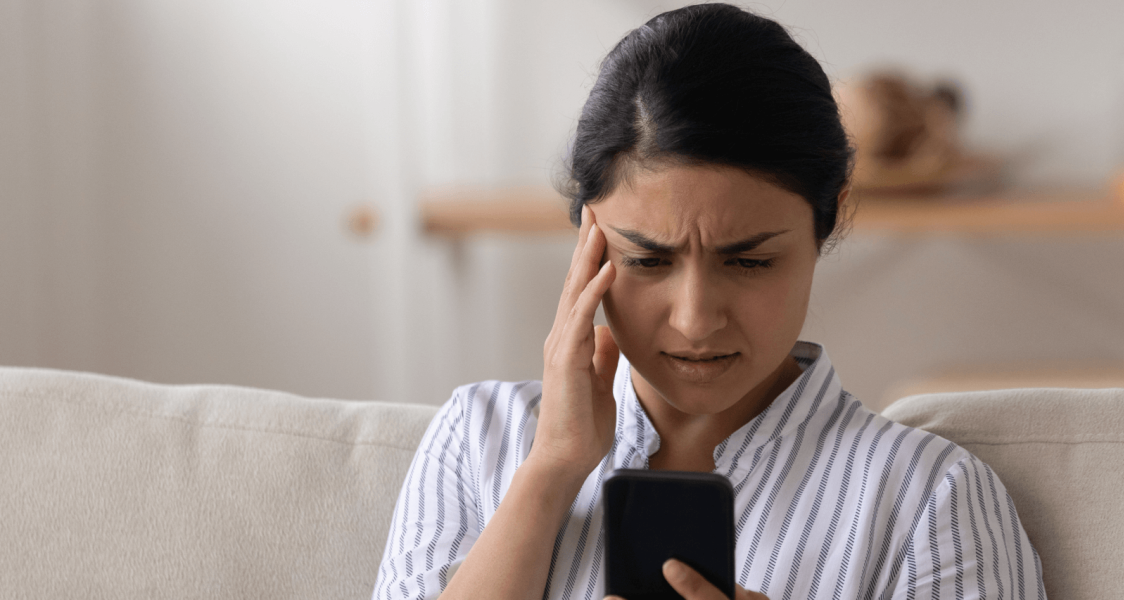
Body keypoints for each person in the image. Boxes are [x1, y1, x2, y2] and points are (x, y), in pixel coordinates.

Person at [372, 4, 1043, 599]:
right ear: (589, 238)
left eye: (749, 260)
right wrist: (550, 470)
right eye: (646, 260)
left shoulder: (929, 501)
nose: (694, 319)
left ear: (828, 221)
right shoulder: (476, 439)